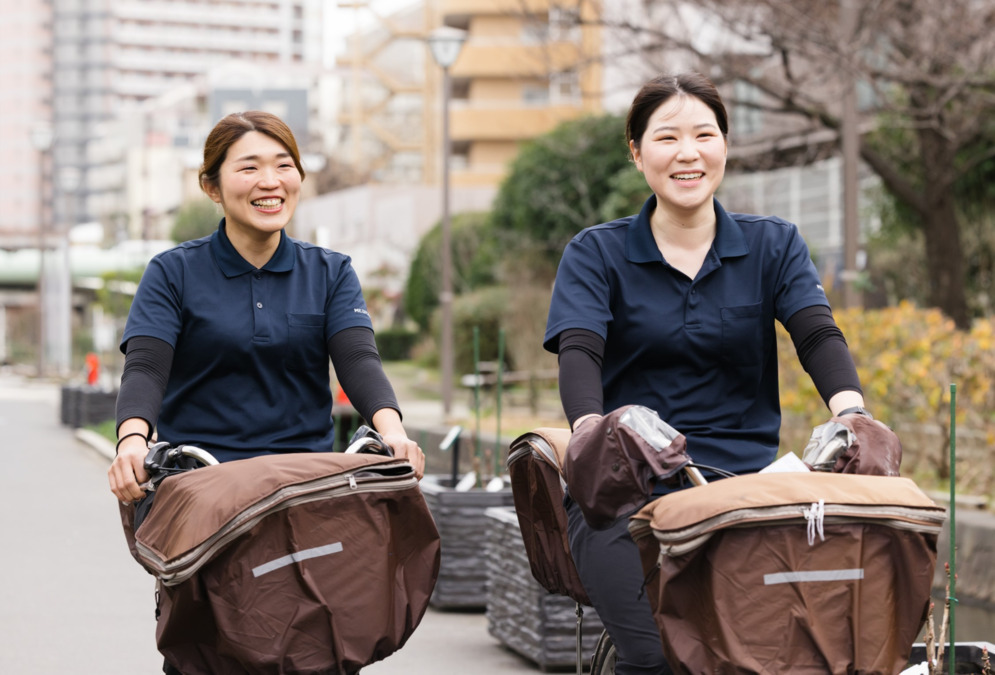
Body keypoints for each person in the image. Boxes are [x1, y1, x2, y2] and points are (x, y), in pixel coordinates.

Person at [543, 73, 871, 674]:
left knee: (778, 654)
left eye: (704, 135)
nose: (687, 153)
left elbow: (816, 333)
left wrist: (852, 412)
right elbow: (580, 349)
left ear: (725, 144)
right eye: (667, 137)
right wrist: (590, 429)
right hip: (626, 487)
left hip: (745, 487)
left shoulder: (774, 244)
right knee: (656, 656)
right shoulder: (597, 252)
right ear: (637, 153)